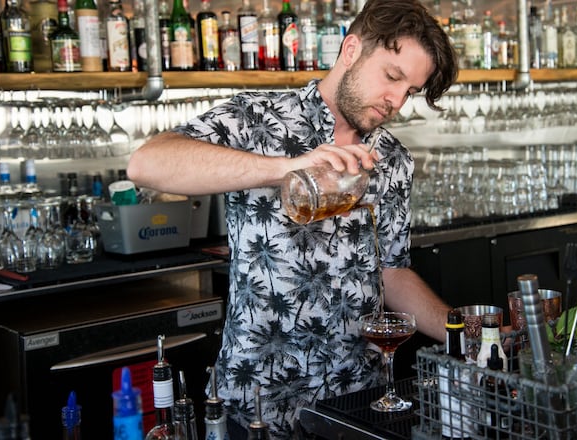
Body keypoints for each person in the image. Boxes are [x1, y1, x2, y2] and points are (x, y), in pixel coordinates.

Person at [127, 0, 458, 437]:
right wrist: (286, 167)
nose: (396, 100)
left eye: (410, 90)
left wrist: (463, 331)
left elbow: (391, 273)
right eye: (392, 77)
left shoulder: (393, 159)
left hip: (358, 401)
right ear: (352, 49)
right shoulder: (256, 118)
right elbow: (147, 164)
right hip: (257, 400)